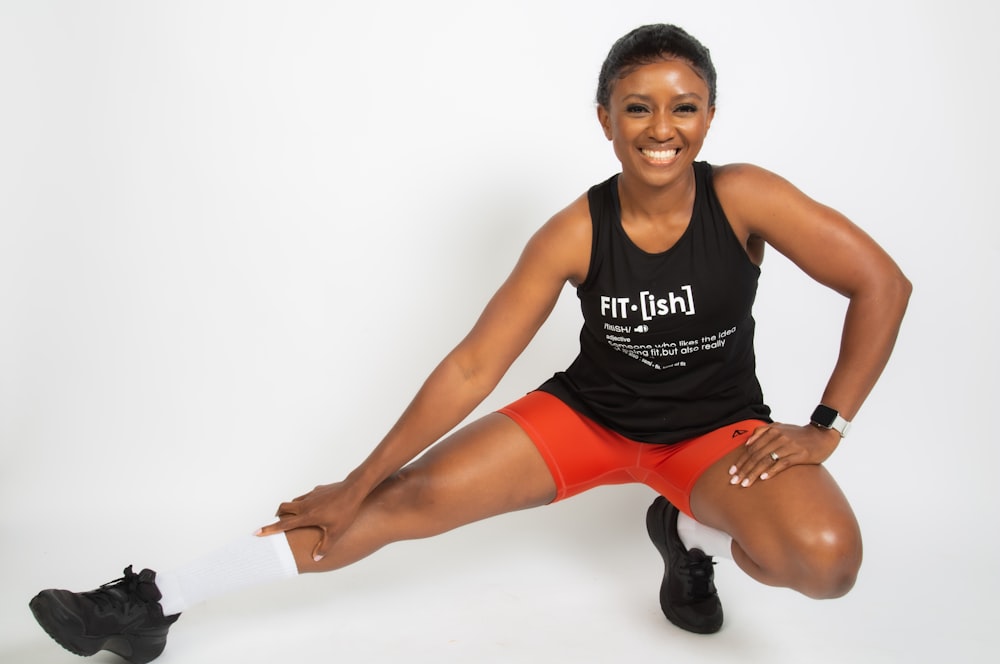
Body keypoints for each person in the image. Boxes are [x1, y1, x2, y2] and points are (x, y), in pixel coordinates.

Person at [28, 23, 910, 663]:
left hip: (717, 435)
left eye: (683, 107)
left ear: (710, 117)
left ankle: (686, 535)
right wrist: (358, 481)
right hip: (590, 419)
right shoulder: (573, 231)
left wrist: (827, 423)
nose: (660, 127)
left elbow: (881, 283)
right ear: (604, 117)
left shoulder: (746, 196)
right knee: (393, 504)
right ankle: (153, 602)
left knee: (828, 564)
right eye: (637, 107)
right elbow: (473, 366)